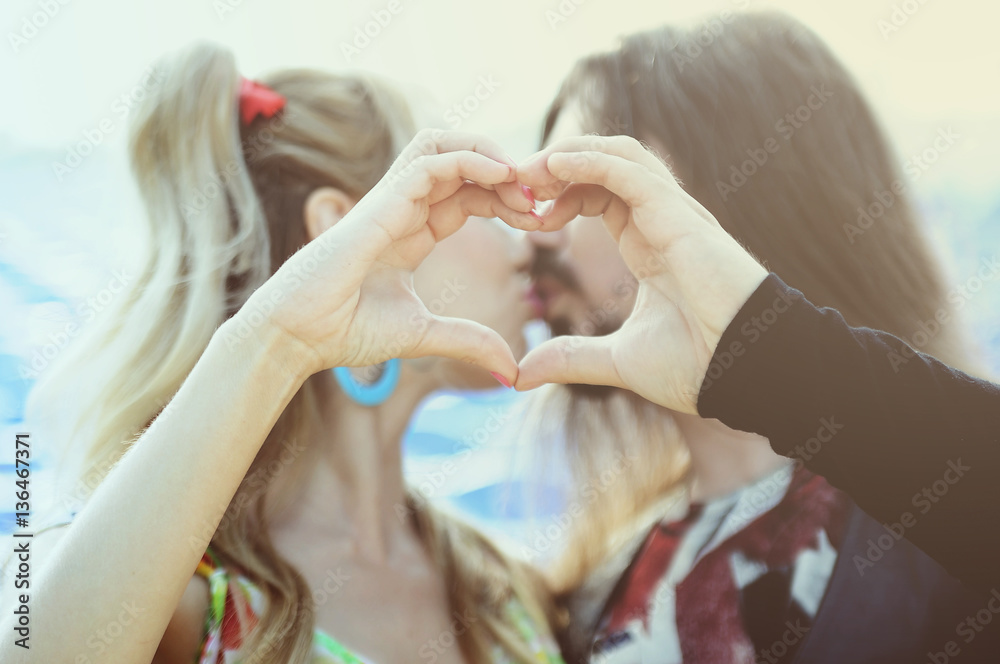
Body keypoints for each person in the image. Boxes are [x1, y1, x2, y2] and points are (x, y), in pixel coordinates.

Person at [0, 43, 565, 664]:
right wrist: (280, 341)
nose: (526, 251)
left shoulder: (503, 584)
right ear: (342, 228)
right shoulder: (182, 602)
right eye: (471, 203)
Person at [516, 12, 1000, 663]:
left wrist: (762, 345)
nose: (536, 236)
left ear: (733, 199)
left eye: (583, 187)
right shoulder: (587, 597)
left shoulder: (947, 538)